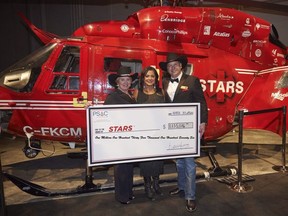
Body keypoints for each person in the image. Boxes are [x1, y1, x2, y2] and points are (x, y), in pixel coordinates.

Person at [159, 53, 208, 212]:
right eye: (169, 66)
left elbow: (201, 101)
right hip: (174, 127)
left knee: (189, 163)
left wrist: (202, 122)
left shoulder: (192, 80)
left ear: (181, 66)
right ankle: (181, 188)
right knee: (179, 161)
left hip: (189, 128)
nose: (172, 68)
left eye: (175, 65)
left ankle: (190, 196)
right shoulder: (165, 82)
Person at [104, 66, 138, 204]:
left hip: (130, 137)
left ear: (131, 81)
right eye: (122, 80)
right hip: (120, 138)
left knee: (128, 168)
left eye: (128, 79)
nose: (125, 82)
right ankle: (122, 197)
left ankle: (128, 193)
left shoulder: (131, 95)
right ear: (117, 82)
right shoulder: (113, 97)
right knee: (121, 168)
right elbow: (106, 118)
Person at [133, 66, 165, 200]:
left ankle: (156, 184)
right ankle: (147, 186)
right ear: (143, 78)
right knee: (146, 161)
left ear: (156, 78)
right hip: (143, 133)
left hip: (158, 133)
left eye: (152, 76)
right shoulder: (136, 93)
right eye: (147, 76)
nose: (150, 78)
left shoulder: (161, 93)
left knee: (157, 160)